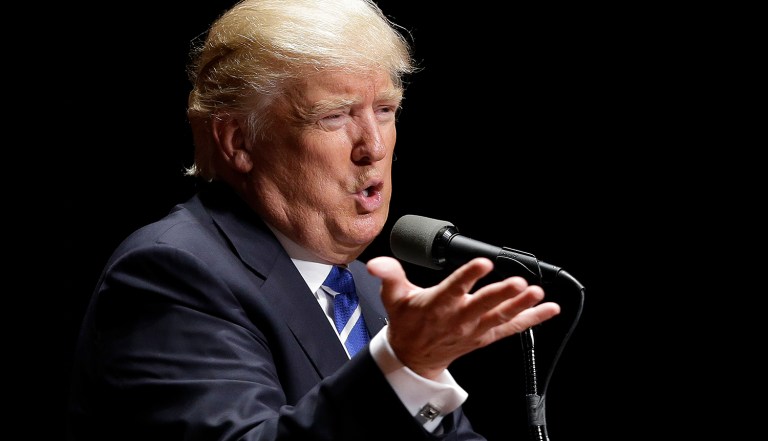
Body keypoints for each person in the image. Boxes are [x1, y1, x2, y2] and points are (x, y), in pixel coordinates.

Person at [67, 0, 561, 439]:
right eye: (334, 116)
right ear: (238, 142)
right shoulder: (171, 273)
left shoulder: (368, 290)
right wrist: (404, 369)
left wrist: (413, 372)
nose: (374, 146)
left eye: (386, 110)